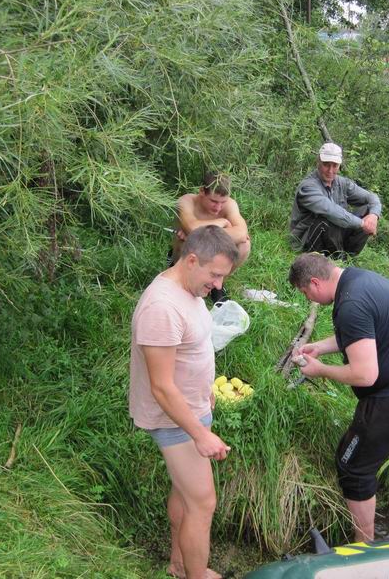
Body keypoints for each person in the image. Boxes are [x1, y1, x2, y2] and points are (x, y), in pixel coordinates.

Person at [288, 253, 389, 542]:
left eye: (305, 292)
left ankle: (366, 550)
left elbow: (365, 375)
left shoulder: (350, 304)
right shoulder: (361, 280)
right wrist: (320, 348)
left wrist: (320, 370)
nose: (307, 298)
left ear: (314, 282)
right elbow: (365, 333)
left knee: (354, 468)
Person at [130, 225, 239, 579]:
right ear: (192, 260)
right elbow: (161, 387)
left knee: (184, 492)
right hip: (174, 420)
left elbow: (193, 348)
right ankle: (196, 574)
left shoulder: (189, 288)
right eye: (215, 275)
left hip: (192, 410)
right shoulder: (161, 307)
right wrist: (200, 434)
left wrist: (206, 388)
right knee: (202, 501)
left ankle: (178, 563)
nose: (218, 285)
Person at [289, 142, 382, 258]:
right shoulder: (308, 187)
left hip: (334, 237)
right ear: (318, 162)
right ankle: (338, 260)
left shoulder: (342, 183)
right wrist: (363, 224)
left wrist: (373, 216)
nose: (330, 170)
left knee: (368, 209)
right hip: (305, 241)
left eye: (335, 165)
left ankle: (348, 258)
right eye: (326, 164)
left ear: (339, 165)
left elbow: (372, 197)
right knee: (326, 219)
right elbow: (331, 211)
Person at [171, 171, 251, 303]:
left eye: (222, 202)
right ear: (202, 191)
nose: (218, 208)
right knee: (184, 239)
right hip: (187, 251)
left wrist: (198, 231)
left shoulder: (230, 205)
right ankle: (183, 280)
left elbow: (242, 234)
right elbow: (191, 228)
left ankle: (216, 284)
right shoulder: (186, 201)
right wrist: (221, 223)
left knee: (244, 245)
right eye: (214, 201)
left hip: (214, 250)